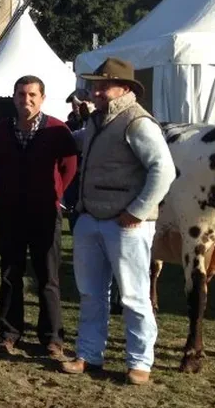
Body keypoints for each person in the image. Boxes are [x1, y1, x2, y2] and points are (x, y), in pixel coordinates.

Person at [62, 57, 176, 385]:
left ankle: (140, 361)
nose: (96, 91)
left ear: (124, 88)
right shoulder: (99, 120)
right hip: (92, 217)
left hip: (126, 223)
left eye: (103, 85)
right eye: (95, 84)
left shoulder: (137, 122)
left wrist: (137, 211)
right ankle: (88, 354)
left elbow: (163, 169)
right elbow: (83, 142)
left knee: (134, 295)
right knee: (91, 293)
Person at [0, 75, 78, 359]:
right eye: (20, 95)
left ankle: (52, 338)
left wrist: (50, 194)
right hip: (11, 211)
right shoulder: (0, 130)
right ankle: (9, 333)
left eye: (31, 95)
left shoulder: (57, 130)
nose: (25, 100)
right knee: (10, 273)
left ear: (42, 98)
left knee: (47, 276)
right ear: (13, 97)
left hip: (44, 213)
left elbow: (69, 168)